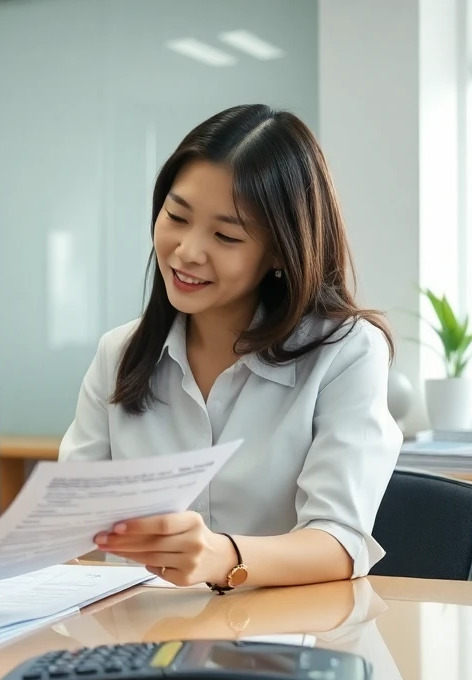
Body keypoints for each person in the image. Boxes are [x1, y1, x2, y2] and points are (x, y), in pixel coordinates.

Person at [60, 104, 402, 591]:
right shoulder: (119, 353)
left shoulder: (345, 352)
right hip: (138, 636)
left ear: (281, 251)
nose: (187, 251)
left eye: (225, 235)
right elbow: (69, 526)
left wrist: (223, 556)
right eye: (176, 216)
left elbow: (339, 540)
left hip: (281, 638)